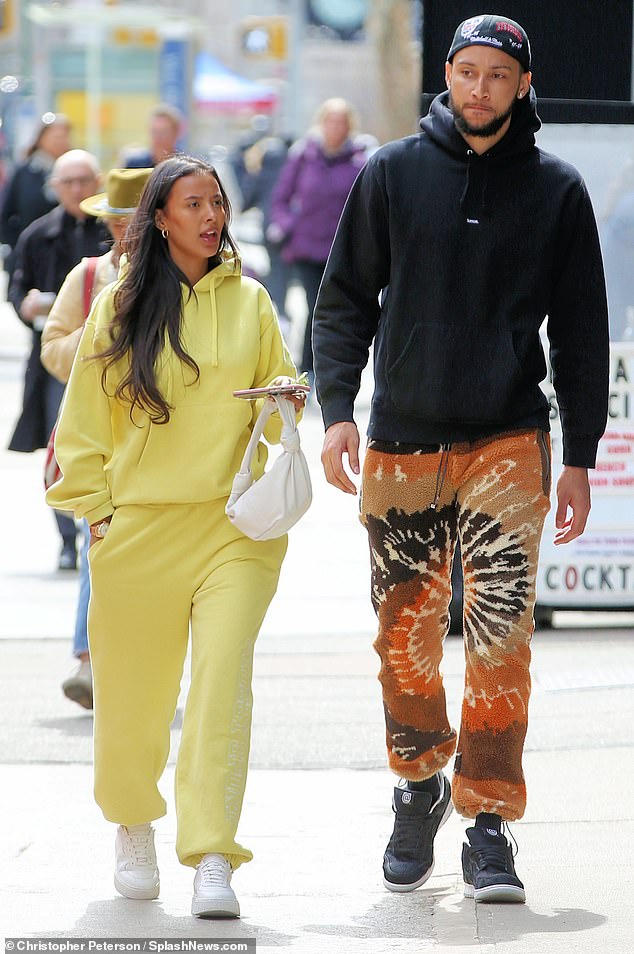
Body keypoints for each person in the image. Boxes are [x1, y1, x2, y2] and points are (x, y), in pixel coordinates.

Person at [313, 14, 609, 904]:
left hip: (510, 440)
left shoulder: (557, 189)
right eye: (466, 72)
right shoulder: (394, 173)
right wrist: (336, 412)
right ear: (447, 75)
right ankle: (418, 785)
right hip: (402, 440)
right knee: (403, 641)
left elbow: (584, 335)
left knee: (499, 639)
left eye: (497, 75)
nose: (479, 89)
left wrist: (580, 456)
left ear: (523, 86)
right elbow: (342, 300)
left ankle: (488, 820)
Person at [46, 155, 304, 918]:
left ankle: (215, 854)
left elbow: (277, 380)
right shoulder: (118, 306)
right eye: (193, 204)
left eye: (217, 202)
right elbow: (84, 423)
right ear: (160, 219)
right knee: (133, 698)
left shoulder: (253, 300)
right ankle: (133, 824)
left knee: (222, 686)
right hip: (141, 530)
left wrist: (289, 394)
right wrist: (98, 512)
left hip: (235, 531)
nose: (210, 215)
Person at [41, 167, 153, 710]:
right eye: (117, 222)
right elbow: (52, 347)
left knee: (157, 555)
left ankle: (142, 660)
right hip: (102, 441)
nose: (125, 233)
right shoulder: (87, 279)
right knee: (101, 544)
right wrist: (101, 335)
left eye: (134, 222)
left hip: (164, 443)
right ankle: (88, 660)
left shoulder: (193, 279)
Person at [8, 149, 109, 571]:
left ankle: (97, 530)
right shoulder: (38, 234)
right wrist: (27, 305)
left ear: (97, 182)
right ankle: (67, 537)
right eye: (68, 182)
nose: (77, 189)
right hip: (58, 357)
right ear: (55, 187)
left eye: (84, 180)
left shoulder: (111, 230)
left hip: (107, 356)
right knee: (60, 442)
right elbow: (17, 288)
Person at [269, 98, 371, 377]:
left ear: (349, 126)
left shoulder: (359, 161)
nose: (335, 128)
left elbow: (366, 205)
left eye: (341, 122)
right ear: (321, 123)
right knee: (316, 306)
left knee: (337, 309)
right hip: (306, 247)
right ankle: (309, 369)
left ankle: (336, 368)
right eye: (330, 121)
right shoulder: (303, 156)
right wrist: (288, 224)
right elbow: (280, 198)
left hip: (339, 249)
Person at [230, 116, 292, 332]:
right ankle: (283, 314)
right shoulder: (288, 159)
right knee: (285, 272)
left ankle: (281, 315)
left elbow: (248, 197)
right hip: (291, 227)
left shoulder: (261, 162)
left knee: (276, 270)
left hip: (272, 226)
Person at [0, 113, 72, 279]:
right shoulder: (24, 172)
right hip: (29, 257)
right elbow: (5, 215)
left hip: (65, 256)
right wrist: (16, 246)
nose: (60, 141)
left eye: (64, 136)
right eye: (55, 136)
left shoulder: (76, 173)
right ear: (41, 138)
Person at [120, 103, 183, 169]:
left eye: (164, 132)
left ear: (176, 133)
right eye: (155, 131)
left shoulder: (184, 167)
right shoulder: (134, 164)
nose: (158, 137)